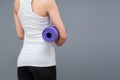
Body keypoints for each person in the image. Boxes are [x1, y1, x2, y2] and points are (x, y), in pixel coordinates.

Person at [13, 0, 67, 80]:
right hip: (43, 61)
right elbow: (63, 36)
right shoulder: (48, 1)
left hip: (23, 62)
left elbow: (20, 35)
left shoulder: (17, 2)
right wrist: (57, 42)